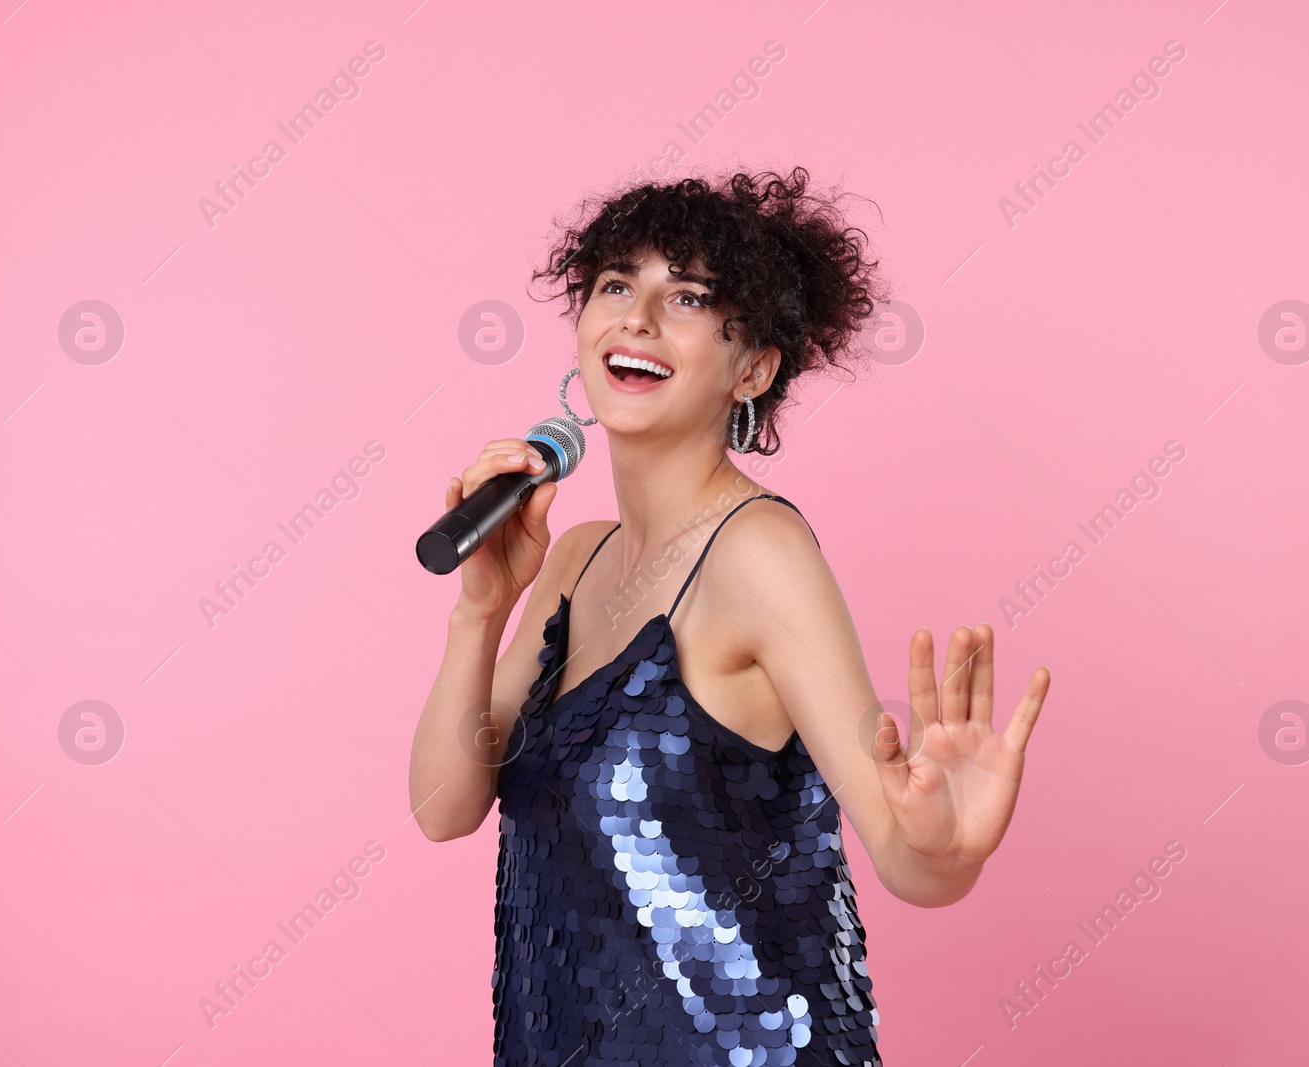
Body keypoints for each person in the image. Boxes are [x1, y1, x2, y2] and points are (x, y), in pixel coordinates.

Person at [409, 167, 1051, 1066]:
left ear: (751, 366)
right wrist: (480, 611)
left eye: (688, 298)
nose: (637, 317)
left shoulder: (759, 556)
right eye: (616, 285)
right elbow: (443, 807)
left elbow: (908, 857)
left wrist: (947, 847)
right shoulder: (571, 561)